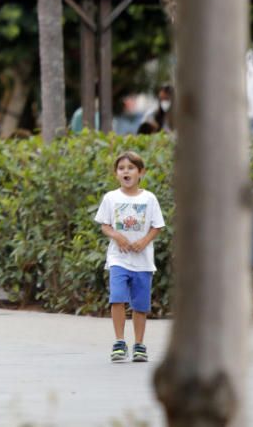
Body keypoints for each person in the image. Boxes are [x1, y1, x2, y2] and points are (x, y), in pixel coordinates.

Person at [94, 151, 165, 363]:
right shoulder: (111, 198)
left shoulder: (149, 198)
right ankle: (119, 341)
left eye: (131, 168)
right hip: (118, 259)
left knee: (140, 305)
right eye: (121, 168)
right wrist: (117, 236)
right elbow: (104, 225)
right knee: (117, 298)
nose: (126, 171)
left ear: (141, 172)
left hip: (143, 262)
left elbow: (157, 226)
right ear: (116, 174)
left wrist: (144, 241)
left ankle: (139, 344)